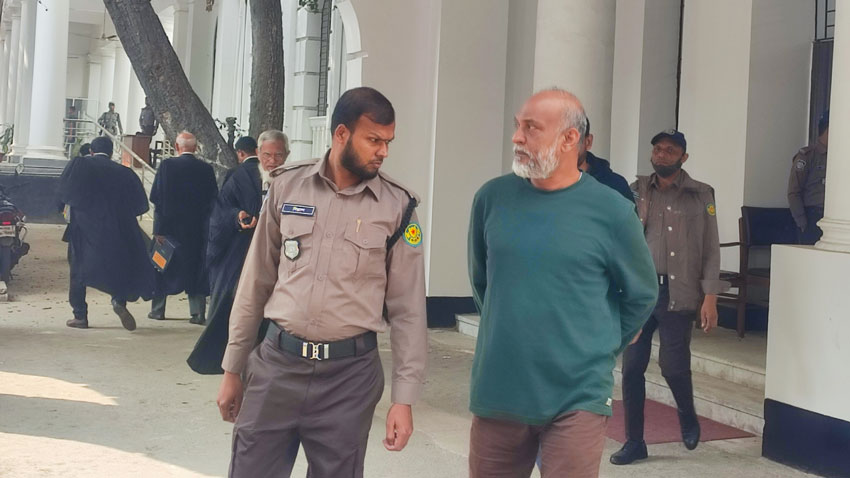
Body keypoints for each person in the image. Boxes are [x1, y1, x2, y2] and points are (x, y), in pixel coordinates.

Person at [216, 87, 427, 478]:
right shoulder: (287, 186)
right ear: (341, 134)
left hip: (350, 379)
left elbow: (409, 310)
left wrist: (404, 398)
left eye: (388, 142)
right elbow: (255, 281)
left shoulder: (398, 207)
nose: (383, 151)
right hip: (277, 366)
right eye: (374, 140)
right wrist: (232, 367)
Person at [467, 89, 658, 478]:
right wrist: (513, 329)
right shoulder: (492, 198)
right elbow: (482, 282)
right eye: (517, 126)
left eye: (531, 128)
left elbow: (641, 295)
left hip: (577, 393)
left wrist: (598, 346)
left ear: (570, 138)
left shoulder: (613, 211)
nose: (517, 137)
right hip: (500, 386)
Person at [610, 129, 726, 465]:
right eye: (657, 149)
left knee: (674, 367)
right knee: (632, 368)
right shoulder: (635, 191)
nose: (662, 155)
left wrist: (710, 296)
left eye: (670, 150)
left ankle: (687, 415)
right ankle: (635, 441)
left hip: (678, 293)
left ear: (683, 157)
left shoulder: (701, 194)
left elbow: (711, 247)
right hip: (639, 294)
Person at [187, 133, 287, 374]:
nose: (272, 161)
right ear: (258, 154)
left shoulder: (296, 181)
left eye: (278, 155)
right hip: (243, 253)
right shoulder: (240, 177)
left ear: (287, 156)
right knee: (239, 306)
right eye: (267, 155)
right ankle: (233, 361)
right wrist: (236, 217)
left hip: (281, 256)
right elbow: (221, 209)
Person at [58, 136, 155, 330]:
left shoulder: (80, 165)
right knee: (117, 266)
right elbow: (141, 206)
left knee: (78, 270)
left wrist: (62, 209)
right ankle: (118, 301)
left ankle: (80, 315)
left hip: (84, 228)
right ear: (111, 153)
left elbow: (63, 192)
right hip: (117, 230)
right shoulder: (125, 173)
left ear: (91, 151)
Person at [148, 132, 218, 324]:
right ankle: (198, 313)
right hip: (198, 229)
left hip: (169, 227)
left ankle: (158, 310)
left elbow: (157, 198)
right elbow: (213, 199)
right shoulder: (206, 169)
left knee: (162, 266)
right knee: (196, 268)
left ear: (176, 147)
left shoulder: (167, 166)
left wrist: (158, 229)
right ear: (195, 148)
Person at [788, 110, 829, 245]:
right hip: (812, 217)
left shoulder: (838, 156)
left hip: (831, 217)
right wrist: (802, 223)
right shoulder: (807, 156)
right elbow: (794, 192)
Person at [579, 117, 634, 202]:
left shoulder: (615, 186)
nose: (563, 147)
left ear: (588, 141)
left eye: (571, 139)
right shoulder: (555, 185)